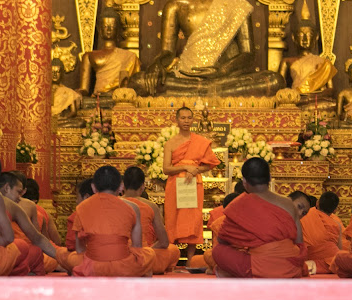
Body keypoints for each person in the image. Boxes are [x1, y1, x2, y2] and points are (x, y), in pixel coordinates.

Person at [127, 0, 283, 97]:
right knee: (138, 82)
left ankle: (206, 90)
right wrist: (156, 65)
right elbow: (168, 52)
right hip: (186, 78)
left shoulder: (237, 5)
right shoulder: (175, 5)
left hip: (224, 79)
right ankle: (207, 91)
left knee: (274, 80)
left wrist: (222, 70)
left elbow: (248, 54)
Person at [211, 157, 310, 278]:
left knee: (218, 251)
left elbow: (222, 240)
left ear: (244, 182)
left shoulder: (239, 204)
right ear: (269, 178)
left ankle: (235, 274)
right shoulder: (288, 203)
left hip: (261, 266)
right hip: (290, 266)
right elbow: (299, 242)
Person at [55, 166, 156, 277]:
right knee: (149, 254)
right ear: (121, 187)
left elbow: (80, 249)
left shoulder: (82, 207)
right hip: (124, 267)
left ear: (93, 188)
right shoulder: (133, 207)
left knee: (66, 255)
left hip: (93, 267)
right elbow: (137, 246)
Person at [163, 106, 220, 265]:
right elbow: (166, 169)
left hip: (193, 184)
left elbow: (210, 165)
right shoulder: (170, 143)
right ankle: (170, 260)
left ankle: (190, 261)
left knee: (193, 221)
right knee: (172, 218)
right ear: (177, 120)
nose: (186, 121)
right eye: (183, 118)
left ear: (193, 120)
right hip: (175, 184)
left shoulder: (199, 141)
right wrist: (184, 167)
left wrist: (195, 170)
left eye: (189, 118)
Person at [0, 172, 58, 275]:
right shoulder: (17, 205)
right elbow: (37, 238)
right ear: (7, 188)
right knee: (25, 247)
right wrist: (62, 257)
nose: (20, 198)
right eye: (18, 192)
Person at [123, 166, 180, 274]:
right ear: (142, 186)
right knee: (174, 250)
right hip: (144, 257)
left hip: (119, 257)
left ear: (123, 185)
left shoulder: (115, 202)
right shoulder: (150, 205)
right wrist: (149, 249)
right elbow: (164, 242)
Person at [78, 8, 140, 103]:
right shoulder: (89, 56)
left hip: (119, 99)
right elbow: (84, 89)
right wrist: (77, 94)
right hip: (97, 99)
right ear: (100, 29)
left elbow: (134, 86)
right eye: (106, 26)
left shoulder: (129, 56)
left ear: (118, 29)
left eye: (112, 26)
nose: (109, 29)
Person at [300, 191, 344, 274]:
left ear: (317, 203)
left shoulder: (305, 216)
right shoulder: (336, 224)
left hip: (309, 258)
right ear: (335, 210)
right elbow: (339, 248)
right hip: (330, 261)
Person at [66, 178, 94, 252]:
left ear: (86, 197)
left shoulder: (75, 217)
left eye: (77, 197)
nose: (76, 201)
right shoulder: (110, 212)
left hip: (83, 256)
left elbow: (71, 246)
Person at [336, 60, 352, 126]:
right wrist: (347, 115)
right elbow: (339, 116)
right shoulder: (343, 93)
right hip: (348, 123)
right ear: (349, 75)